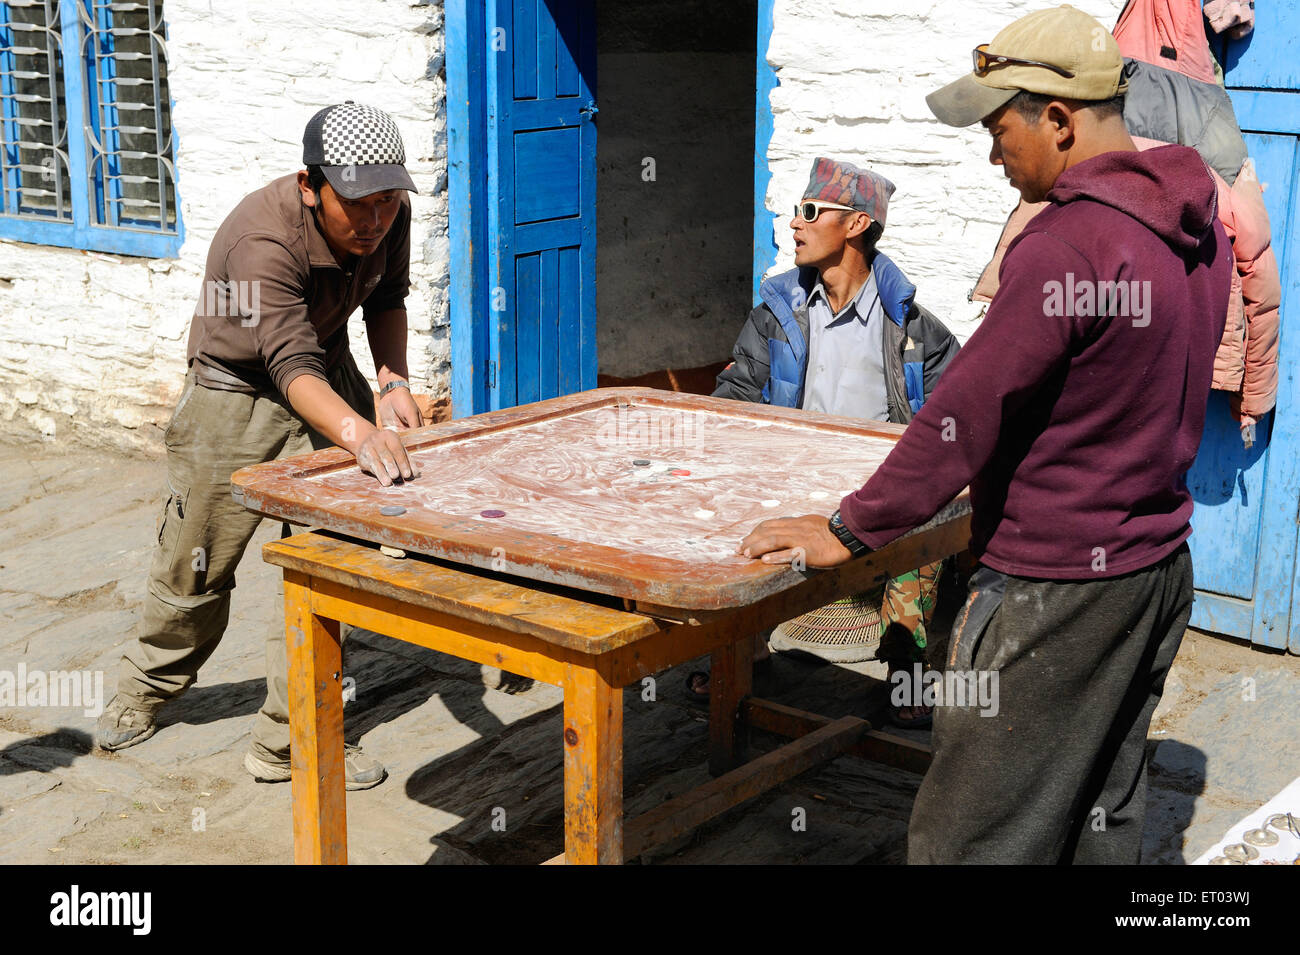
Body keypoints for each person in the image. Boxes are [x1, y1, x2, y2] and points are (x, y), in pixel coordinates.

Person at [735, 5, 1232, 863]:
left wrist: (850, 528)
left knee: (972, 837)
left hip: (1056, 589)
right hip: (1154, 574)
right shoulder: (1199, 233)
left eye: (1000, 130)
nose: (993, 154)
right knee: (1098, 817)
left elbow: (964, 410)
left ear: (1060, 119)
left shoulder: (1068, 245)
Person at [95, 102, 423, 790]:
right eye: (359, 204)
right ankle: (146, 686)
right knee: (197, 563)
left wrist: (391, 382)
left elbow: (387, 297)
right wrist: (360, 433)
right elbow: (285, 361)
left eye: (388, 203)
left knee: (332, 563)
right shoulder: (260, 238)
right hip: (234, 394)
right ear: (311, 185)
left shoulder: (388, 218)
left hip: (325, 376)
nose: (375, 221)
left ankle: (293, 735)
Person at [696, 157, 958, 727]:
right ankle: (741, 653)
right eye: (796, 211)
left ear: (857, 224)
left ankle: (907, 671)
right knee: (731, 510)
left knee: (927, 524)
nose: (795, 224)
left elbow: (949, 428)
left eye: (811, 212)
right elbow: (736, 393)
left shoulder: (915, 331)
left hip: (879, 491)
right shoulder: (775, 315)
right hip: (790, 481)